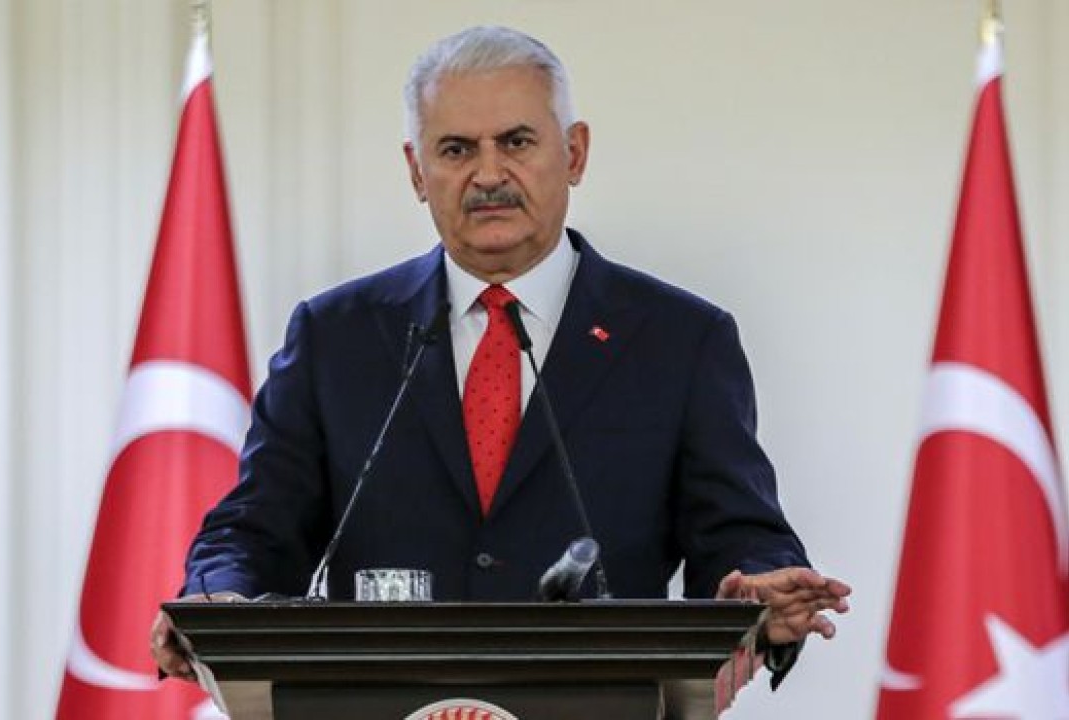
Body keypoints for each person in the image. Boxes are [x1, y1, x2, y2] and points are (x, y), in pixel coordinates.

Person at [151, 25, 850, 687]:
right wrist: (218, 596)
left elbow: (738, 535)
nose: (489, 173)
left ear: (574, 153)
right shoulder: (335, 337)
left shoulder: (680, 340)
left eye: (516, 142)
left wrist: (760, 588)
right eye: (456, 150)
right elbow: (256, 528)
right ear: (416, 170)